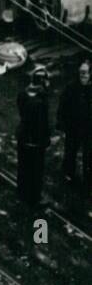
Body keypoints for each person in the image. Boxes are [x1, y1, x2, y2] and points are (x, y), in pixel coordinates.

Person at [16, 67, 51, 208]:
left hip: (23, 137)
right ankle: (34, 197)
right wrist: (45, 140)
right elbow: (42, 125)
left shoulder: (23, 95)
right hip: (35, 142)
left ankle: (22, 192)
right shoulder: (40, 103)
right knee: (35, 170)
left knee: (23, 167)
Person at [58, 58, 91, 192]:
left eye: (85, 73)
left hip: (89, 130)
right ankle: (68, 174)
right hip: (73, 127)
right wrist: (61, 123)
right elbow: (63, 106)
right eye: (80, 73)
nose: (82, 76)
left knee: (89, 157)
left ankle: (88, 182)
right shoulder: (71, 87)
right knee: (70, 152)